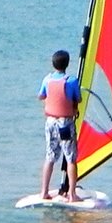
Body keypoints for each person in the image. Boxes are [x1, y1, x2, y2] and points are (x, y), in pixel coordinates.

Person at [38, 49, 82, 202]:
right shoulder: (71, 81)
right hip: (65, 123)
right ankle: (72, 194)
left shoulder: (47, 80)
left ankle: (44, 192)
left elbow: (41, 96)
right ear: (67, 64)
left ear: (53, 63)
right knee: (70, 158)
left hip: (50, 123)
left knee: (50, 157)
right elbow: (78, 99)